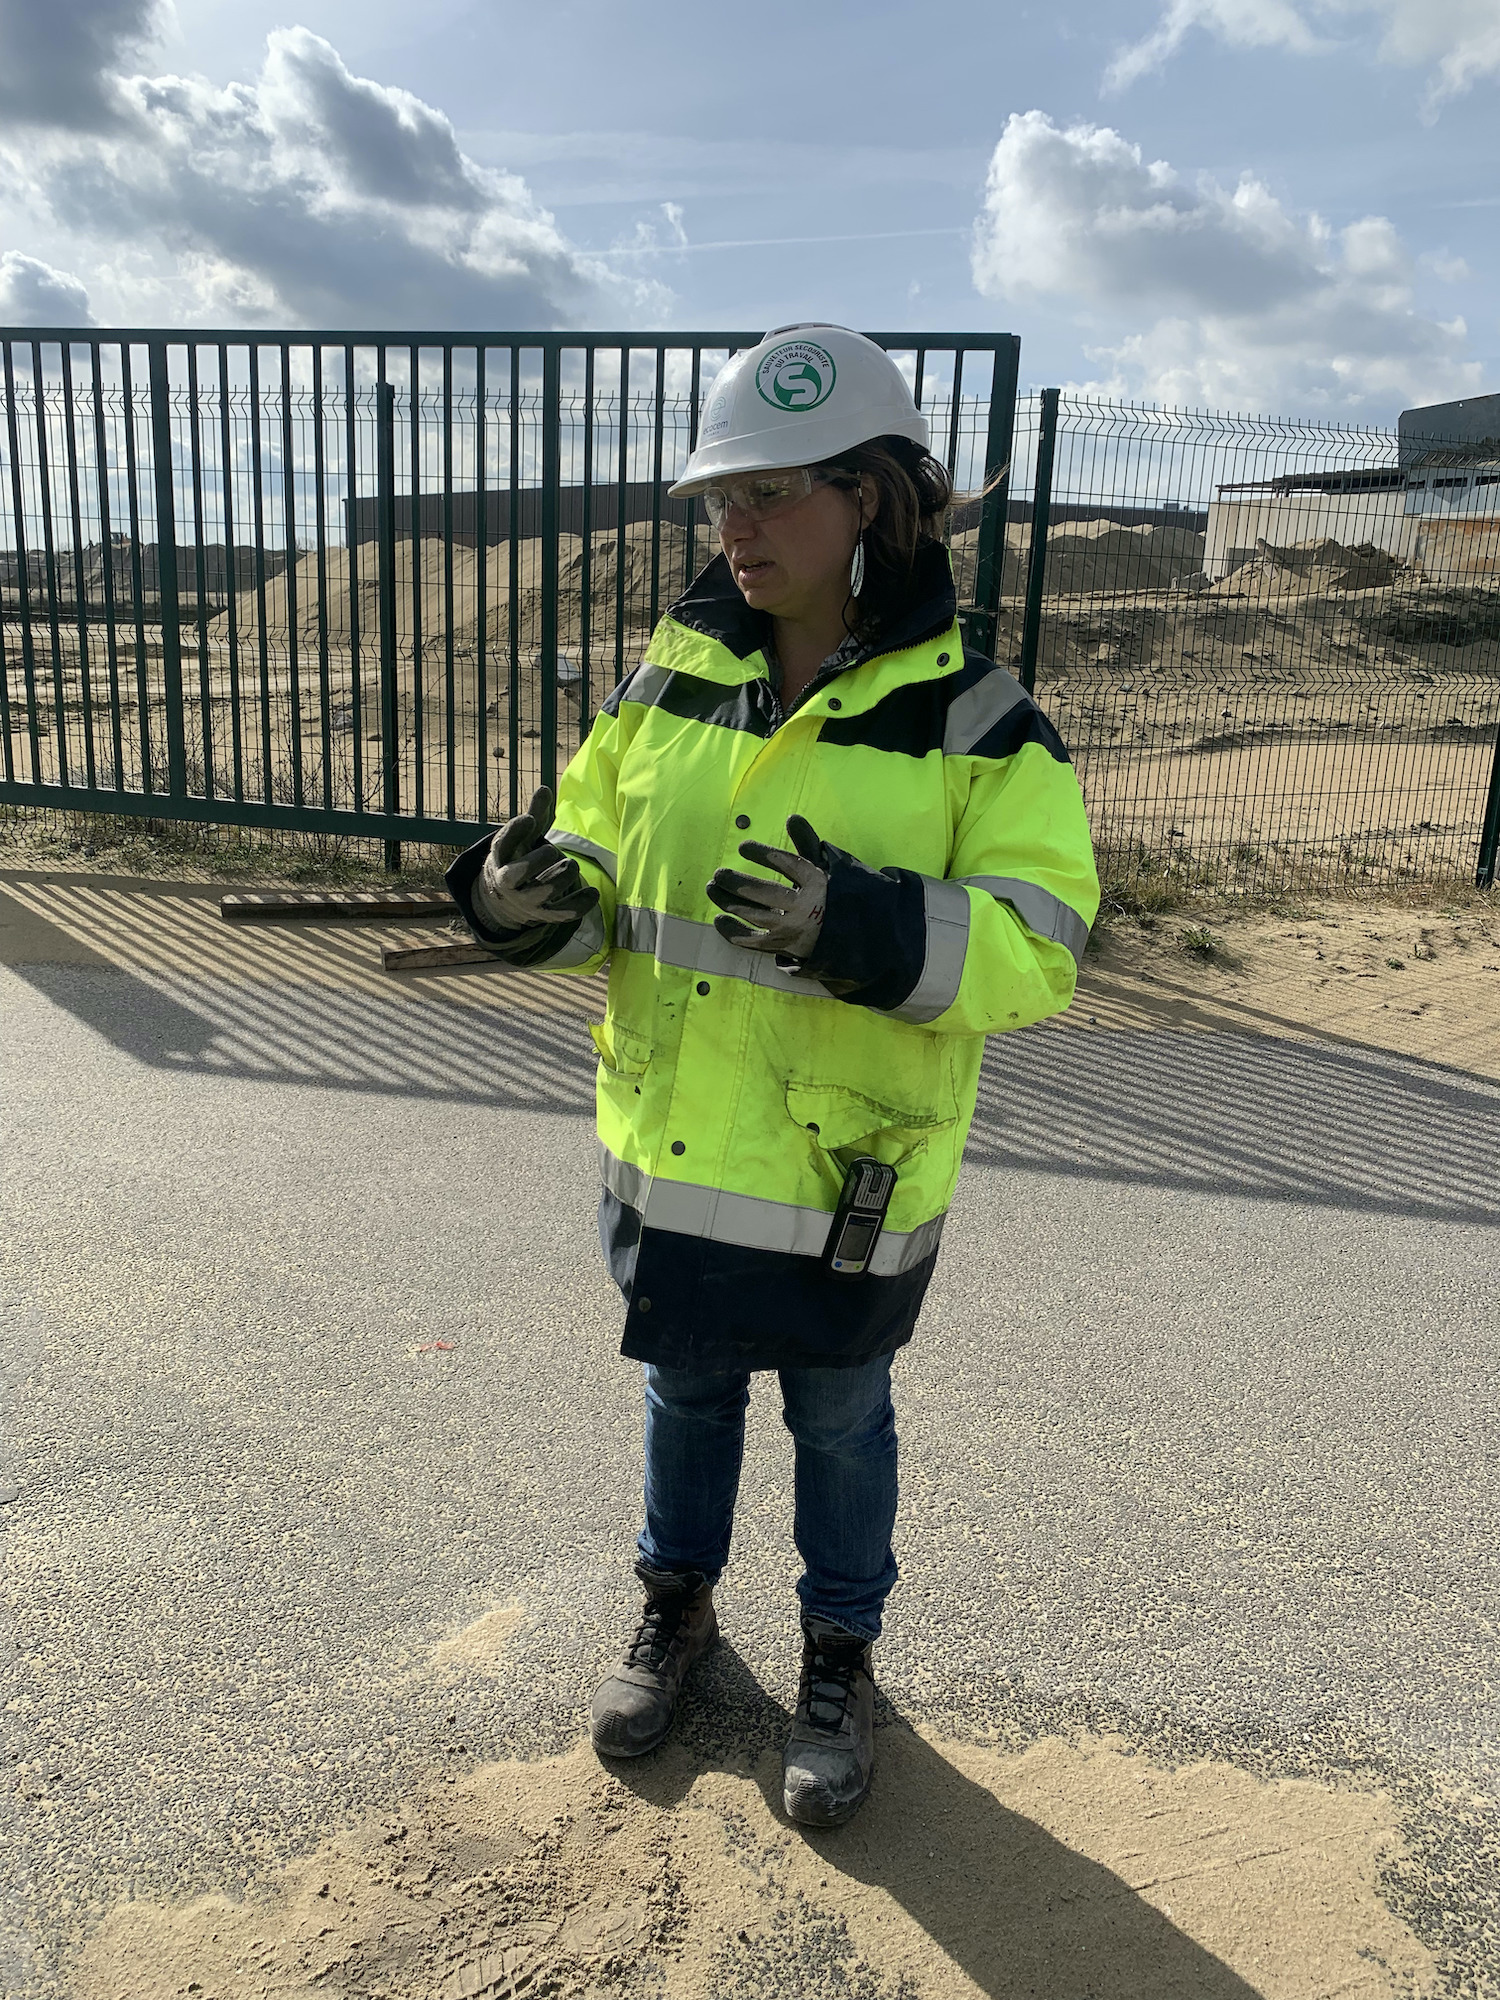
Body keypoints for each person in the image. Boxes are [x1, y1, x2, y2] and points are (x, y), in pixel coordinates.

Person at [446, 324, 1098, 1827]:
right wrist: (531, 902)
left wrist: (866, 925)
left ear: (870, 498)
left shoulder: (974, 721)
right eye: (718, 497)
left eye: (771, 493)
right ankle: (675, 1614)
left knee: (839, 1411)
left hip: (843, 1168)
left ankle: (835, 1661)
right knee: (685, 1391)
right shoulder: (665, 683)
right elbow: (604, 868)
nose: (731, 528)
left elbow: (1045, 942)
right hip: (679, 1146)